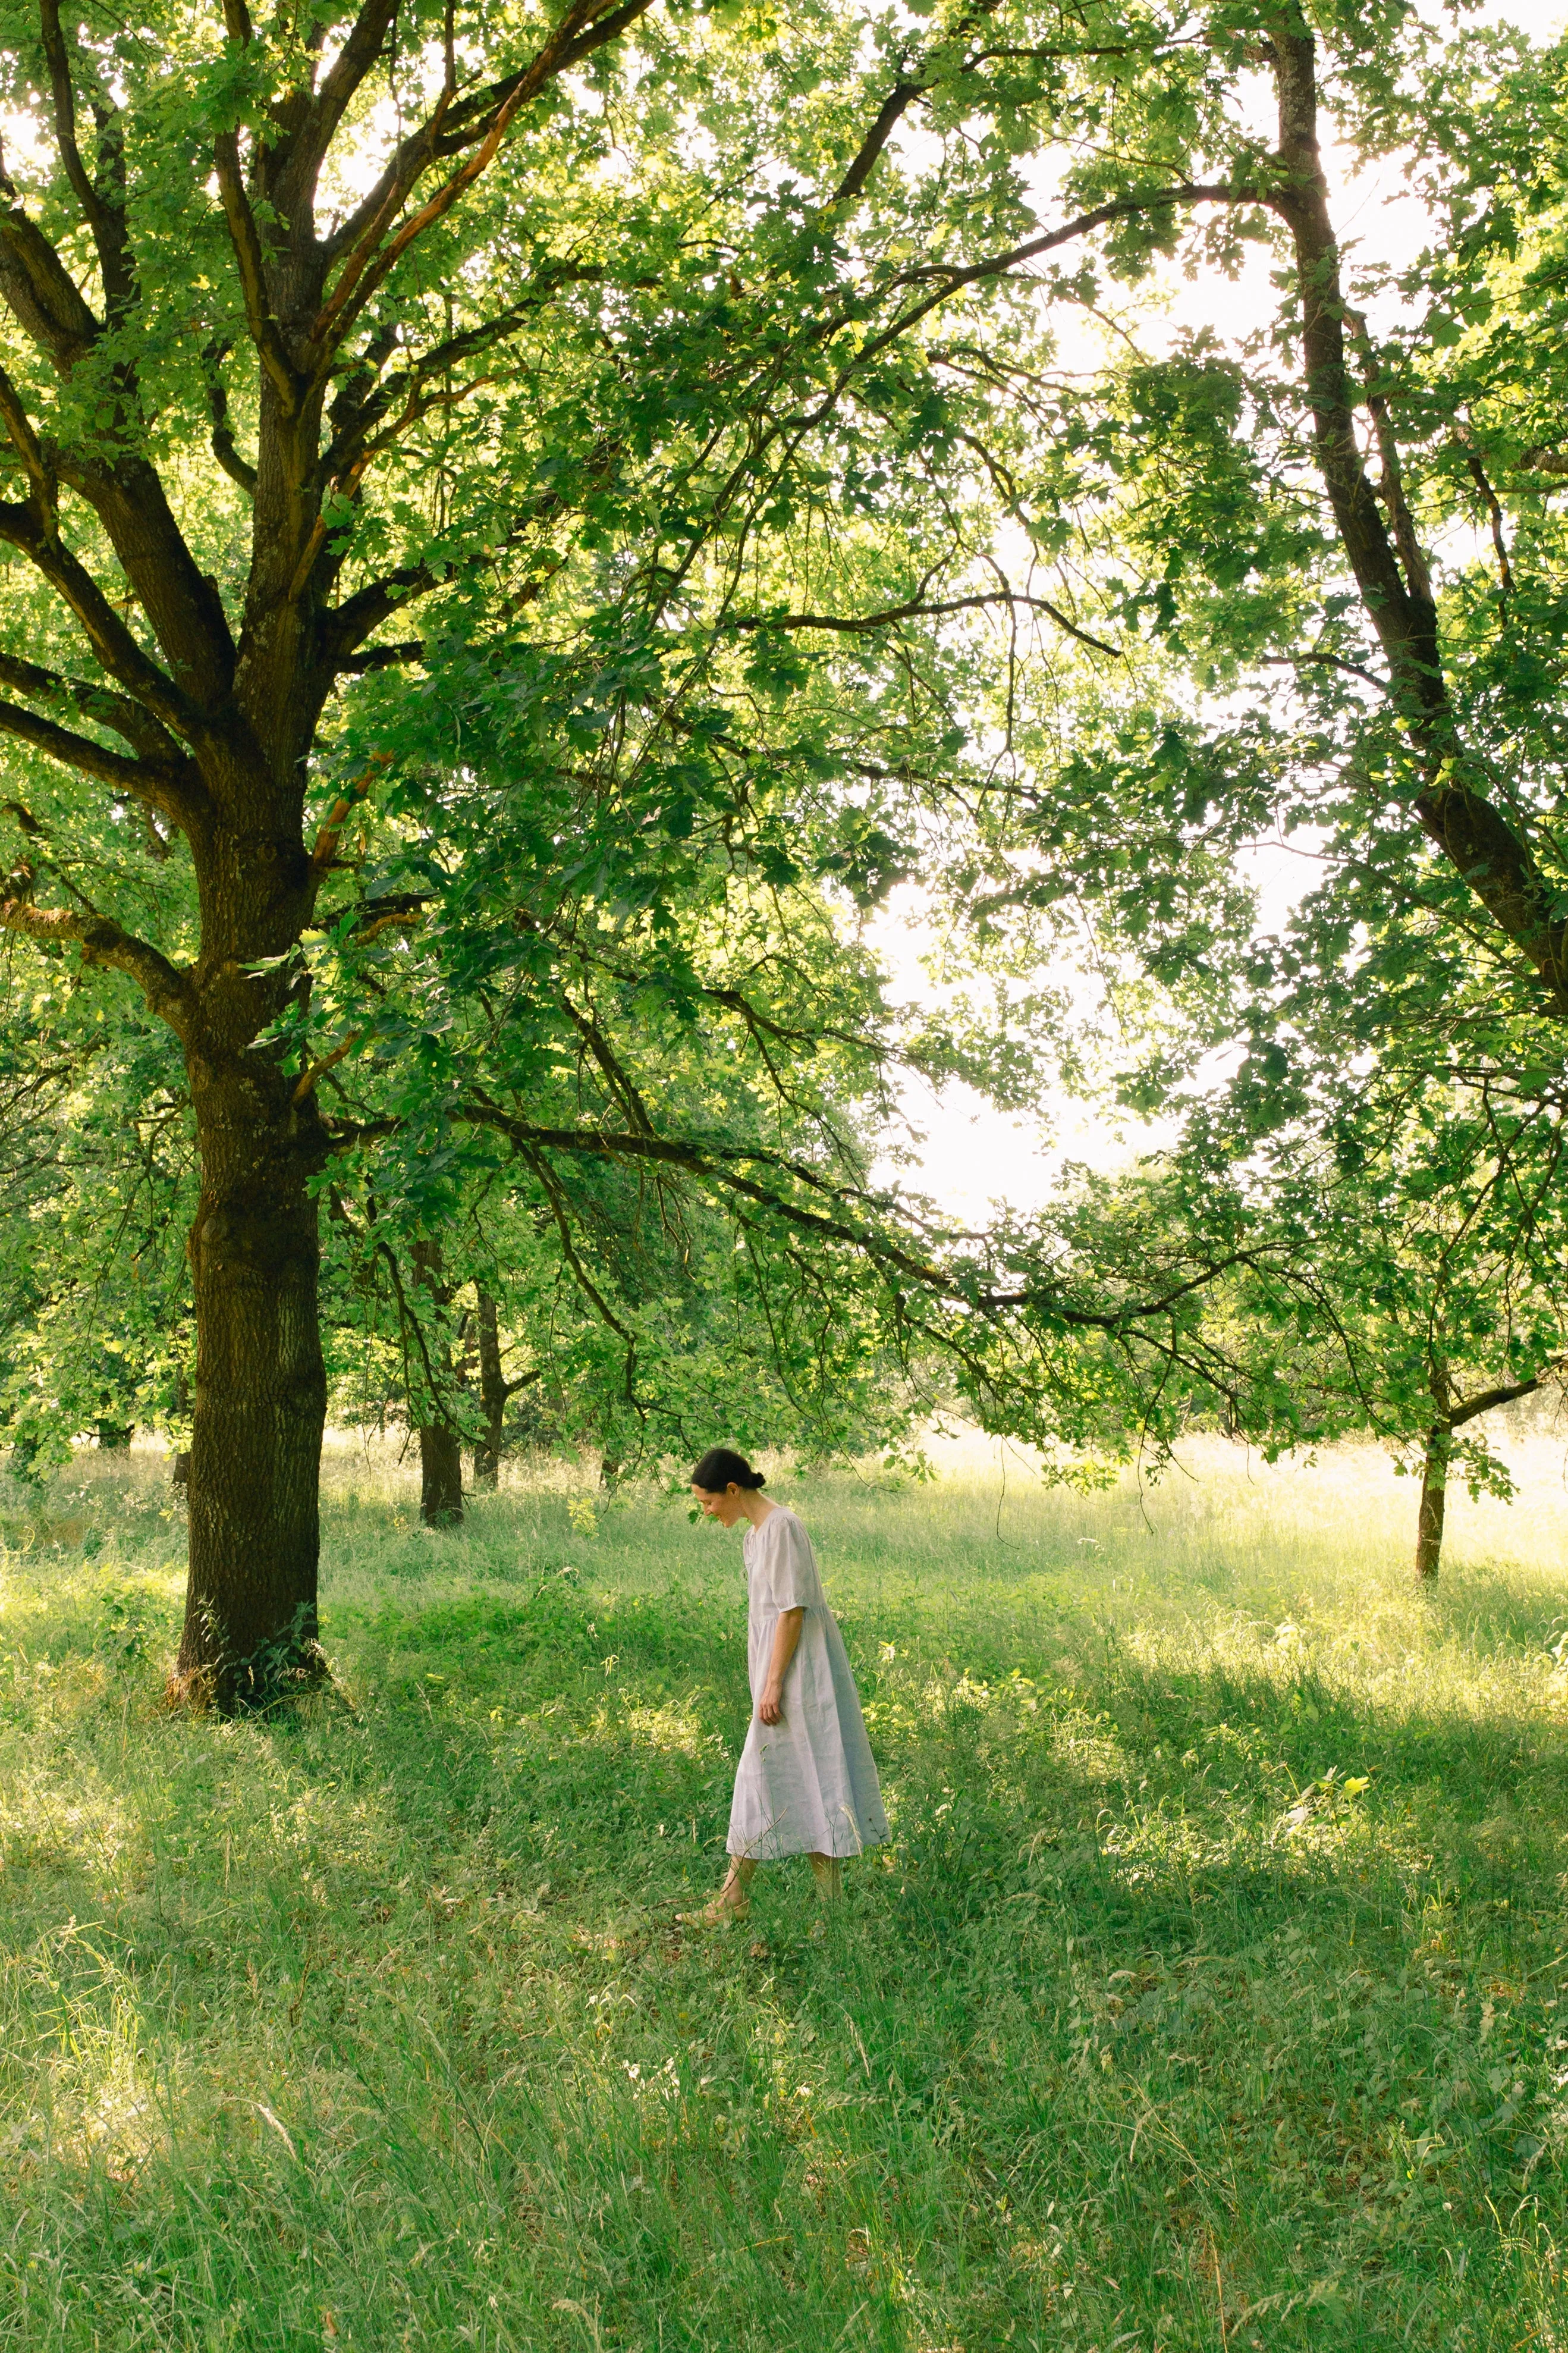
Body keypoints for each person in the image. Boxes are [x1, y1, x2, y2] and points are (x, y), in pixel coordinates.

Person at [681, 1446, 887, 1925]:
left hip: (800, 1675)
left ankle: (743, 1900)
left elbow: (792, 1612)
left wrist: (772, 1686)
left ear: (733, 1490)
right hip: (778, 1673)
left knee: (798, 1773)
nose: (707, 1513)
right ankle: (748, 1899)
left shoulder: (782, 1527)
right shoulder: (755, 1537)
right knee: (786, 1774)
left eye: (708, 1502)